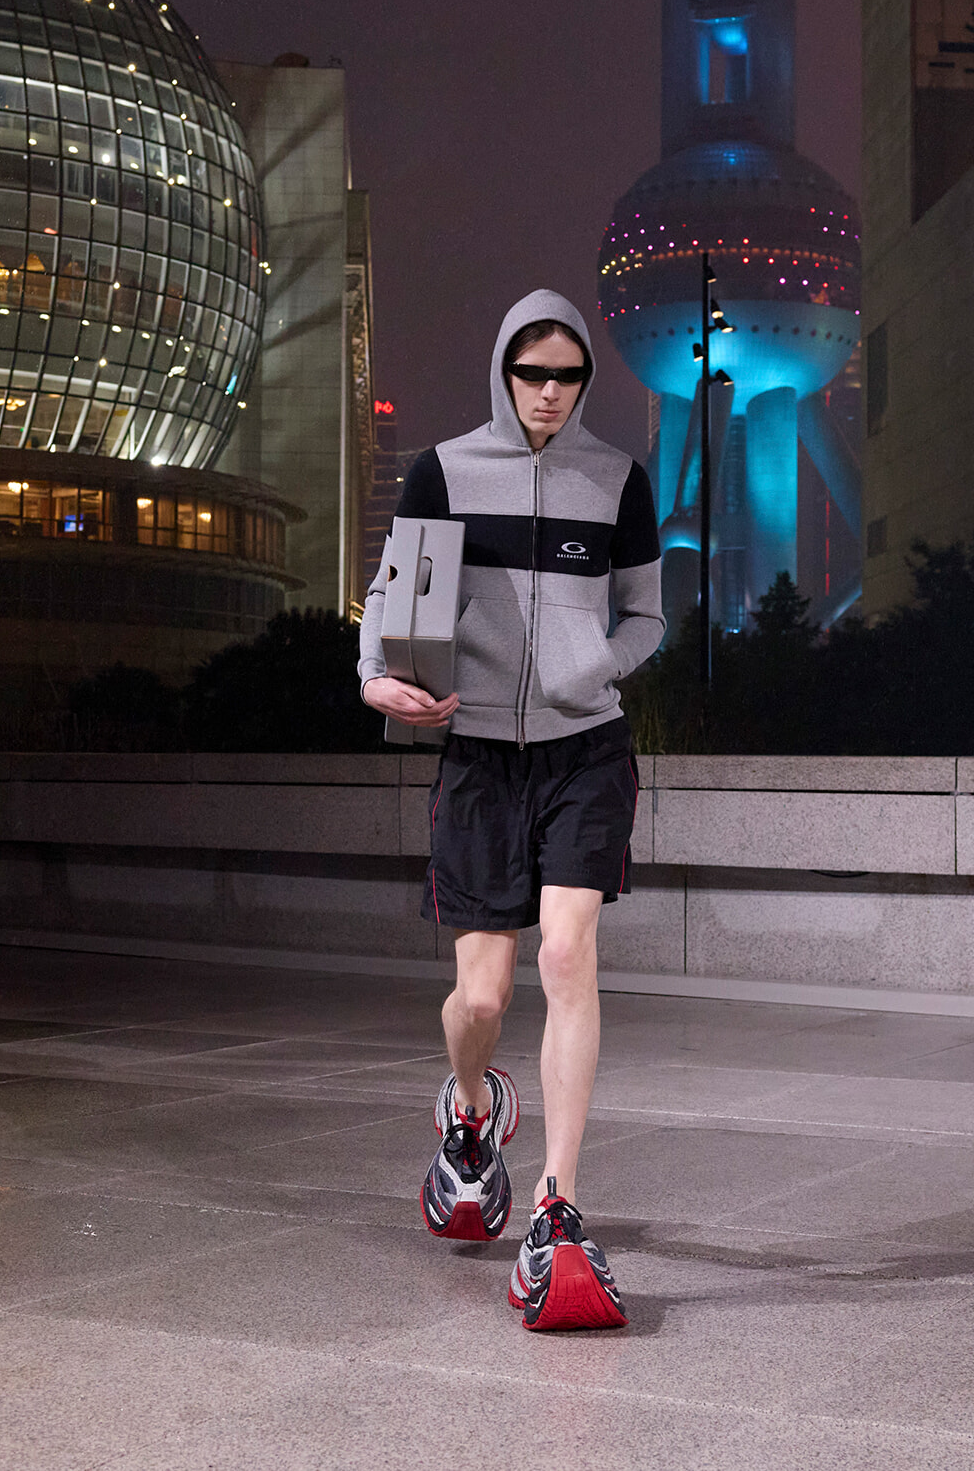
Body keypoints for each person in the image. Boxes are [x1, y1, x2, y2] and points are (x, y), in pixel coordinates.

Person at [358, 289, 664, 1331]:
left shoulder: (616, 479)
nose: (547, 393)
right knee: (479, 1002)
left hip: (586, 749)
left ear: (585, 381)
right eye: (531, 374)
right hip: (480, 752)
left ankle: (558, 1201)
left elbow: (648, 614)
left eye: (566, 376)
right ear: (504, 371)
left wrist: (593, 666)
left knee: (569, 956)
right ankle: (473, 1113)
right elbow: (391, 597)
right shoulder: (444, 469)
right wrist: (374, 680)